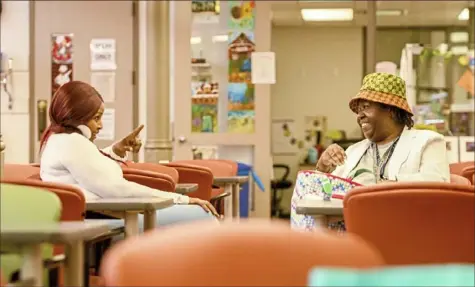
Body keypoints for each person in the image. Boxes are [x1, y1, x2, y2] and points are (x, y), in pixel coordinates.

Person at [40, 81, 219, 229]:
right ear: (76, 117)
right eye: (96, 118)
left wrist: (116, 151)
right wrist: (181, 199)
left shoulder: (60, 141)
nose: (100, 125)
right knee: (203, 214)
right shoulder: (73, 143)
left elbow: (94, 172)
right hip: (104, 224)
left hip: (101, 218)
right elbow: (117, 189)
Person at [317, 72, 450, 184]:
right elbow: (325, 192)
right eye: (358, 110)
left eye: (366, 107)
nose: (360, 115)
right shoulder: (353, 152)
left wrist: (385, 186)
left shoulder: (427, 142)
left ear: (390, 110)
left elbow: (438, 184)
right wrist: (323, 167)